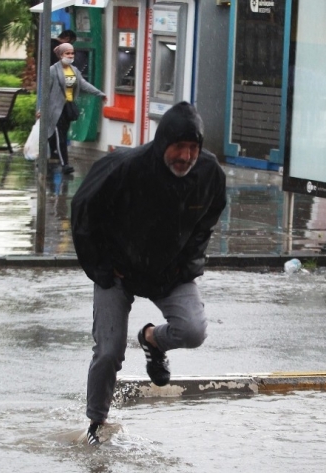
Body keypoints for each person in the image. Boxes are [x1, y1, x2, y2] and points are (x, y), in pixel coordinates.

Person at [71, 102, 227, 445]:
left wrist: (187, 264)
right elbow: (83, 210)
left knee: (194, 331)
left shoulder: (209, 173)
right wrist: (100, 266)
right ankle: (96, 425)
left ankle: (153, 340)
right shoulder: (126, 168)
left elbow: (207, 220)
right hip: (118, 270)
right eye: (179, 147)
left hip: (169, 272)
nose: (185, 156)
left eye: (193, 148)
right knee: (109, 351)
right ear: (162, 144)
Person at [43, 43, 106, 175]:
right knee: (60, 136)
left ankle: (46, 155)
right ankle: (64, 164)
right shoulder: (52, 70)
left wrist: (99, 93)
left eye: (72, 53)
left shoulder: (74, 70)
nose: (70, 56)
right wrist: (41, 109)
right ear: (61, 55)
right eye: (67, 53)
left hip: (68, 107)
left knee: (58, 136)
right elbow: (45, 92)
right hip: (54, 109)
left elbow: (83, 84)